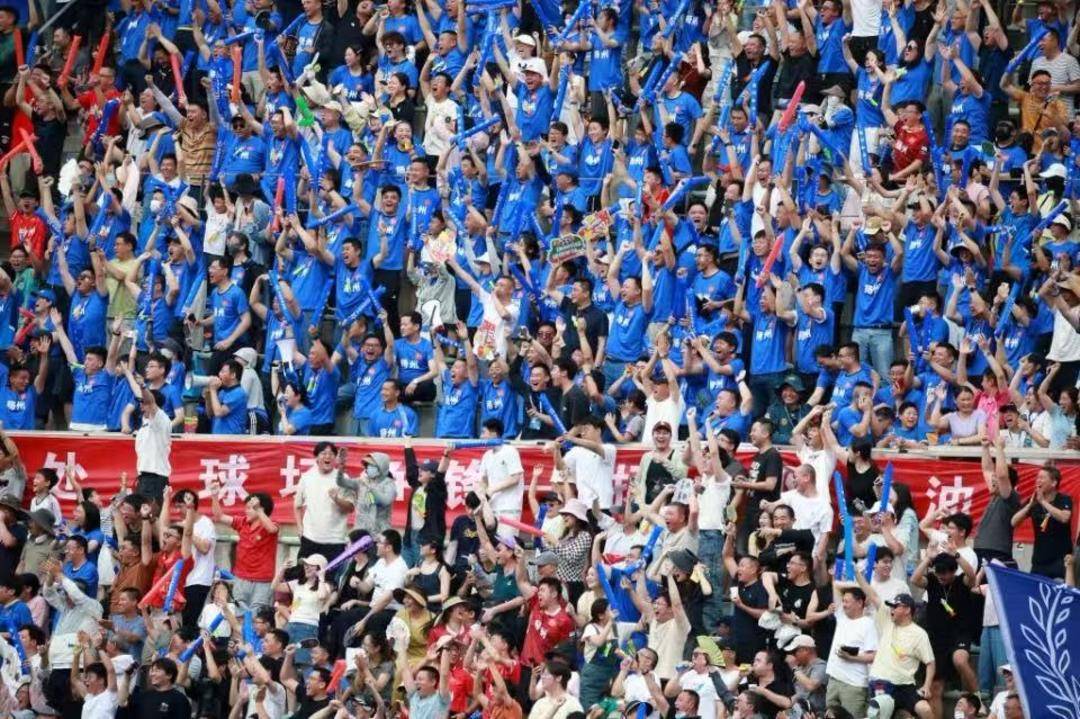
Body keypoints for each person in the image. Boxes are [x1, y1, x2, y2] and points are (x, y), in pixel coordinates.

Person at [294, 441, 354, 560]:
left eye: (331, 454)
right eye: (323, 453)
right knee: (303, 571)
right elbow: (297, 505)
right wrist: (300, 527)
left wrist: (337, 499)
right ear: (316, 457)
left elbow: (350, 508)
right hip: (309, 539)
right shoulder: (307, 477)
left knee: (331, 573)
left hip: (335, 541)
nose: (327, 456)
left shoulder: (343, 479)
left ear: (335, 458)